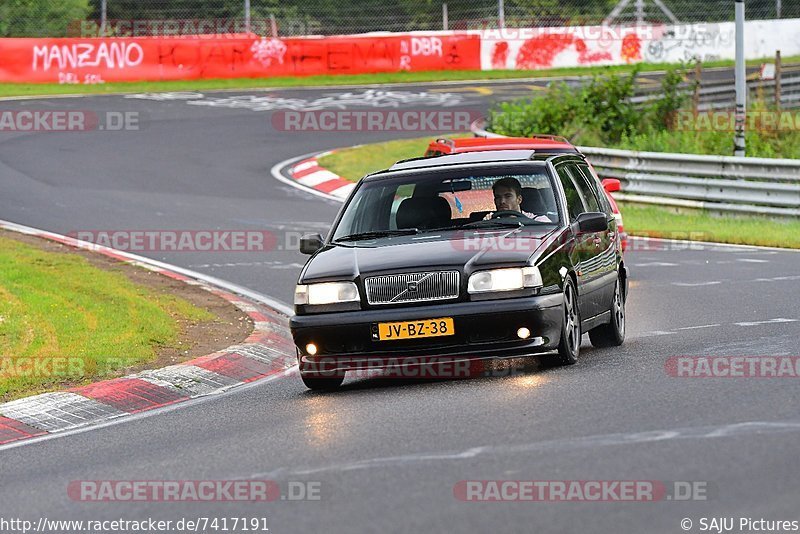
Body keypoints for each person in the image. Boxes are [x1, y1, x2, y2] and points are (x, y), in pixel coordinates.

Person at [483, 177, 552, 222]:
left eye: (508, 196)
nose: (502, 201)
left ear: (519, 199)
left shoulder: (539, 221)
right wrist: (487, 222)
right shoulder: (490, 221)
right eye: (498, 197)